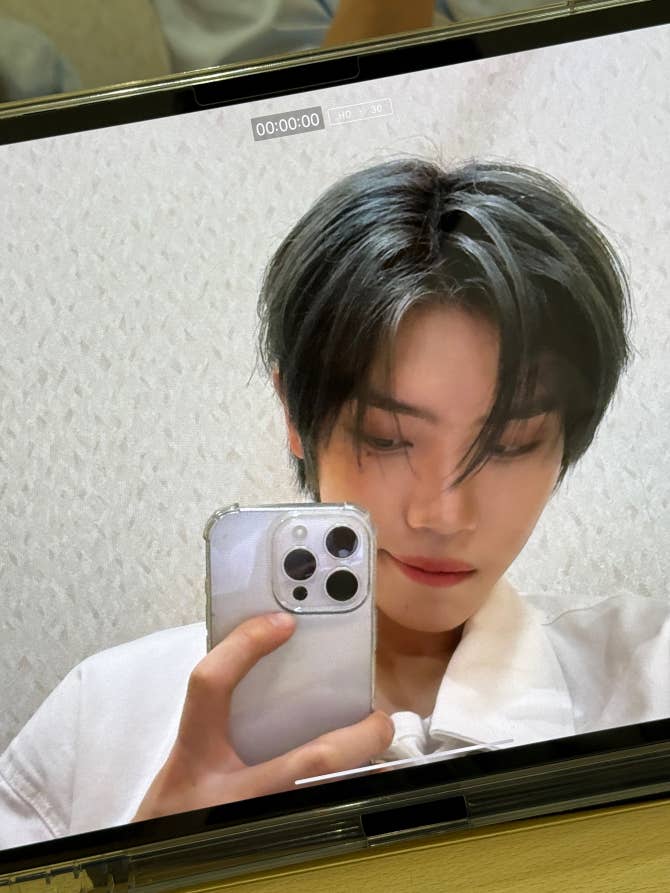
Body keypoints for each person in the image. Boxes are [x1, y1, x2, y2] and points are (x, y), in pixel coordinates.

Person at [1, 158, 669, 848]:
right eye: (387, 437)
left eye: (510, 443)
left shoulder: (650, 679)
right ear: (295, 413)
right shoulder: (99, 721)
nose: (442, 514)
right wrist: (147, 867)